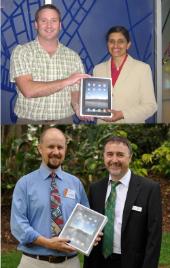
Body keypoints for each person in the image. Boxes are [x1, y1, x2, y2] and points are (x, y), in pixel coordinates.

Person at [10, 127, 89, 268]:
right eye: (50, 147)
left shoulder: (75, 183)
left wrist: (90, 235)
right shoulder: (25, 183)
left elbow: (84, 218)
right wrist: (47, 243)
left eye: (60, 147)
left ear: (65, 149)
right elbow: (18, 225)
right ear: (40, 148)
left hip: (70, 263)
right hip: (34, 262)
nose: (56, 152)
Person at [84, 136, 162, 268]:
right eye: (110, 154)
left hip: (132, 263)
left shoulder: (149, 189)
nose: (114, 160)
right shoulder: (95, 188)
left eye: (120, 155)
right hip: (99, 261)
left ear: (130, 157)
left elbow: (154, 237)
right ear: (104, 156)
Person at [10, 4, 89, 124]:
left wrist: (78, 107)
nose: (49, 25)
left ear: (60, 25)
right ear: (36, 25)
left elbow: (75, 91)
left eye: (53, 20)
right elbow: (28, 90)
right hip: (29, 120)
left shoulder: (73, 57)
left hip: (65, 120)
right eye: (44, 20)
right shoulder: (21, 52)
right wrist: (67, 81)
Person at [93, 26, 157, 123]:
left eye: (121, 41)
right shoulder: (98, 69)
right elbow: (95, 102)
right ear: (107, 44)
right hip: (103, 126)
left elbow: (151, 106)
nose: (115, 45)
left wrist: (122, 114)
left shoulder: (143, 69)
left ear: (128, 45)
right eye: (112, 41)